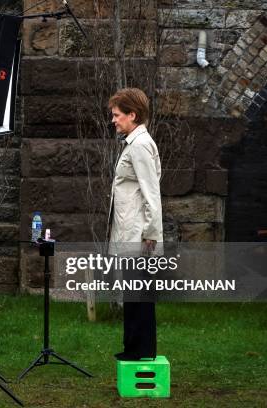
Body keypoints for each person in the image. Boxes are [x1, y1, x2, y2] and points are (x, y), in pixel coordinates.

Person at [107, 88, 163, 361]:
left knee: (139, 294)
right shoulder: (134, 143)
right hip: (133, 231)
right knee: (134, 293)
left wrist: (151, 234)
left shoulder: (140, 146)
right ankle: (135, 348)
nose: (114, 120)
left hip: (139, 235)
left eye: (117, 115)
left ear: (133, 115)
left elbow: (152, 193)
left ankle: (140, 350)